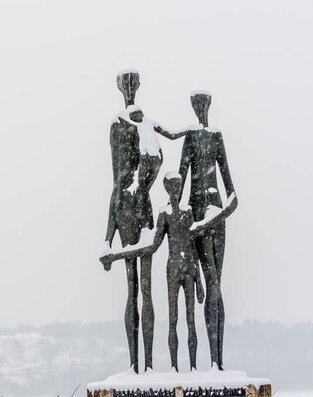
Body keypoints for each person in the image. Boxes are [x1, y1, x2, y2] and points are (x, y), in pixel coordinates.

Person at [101, 172, 237, 371]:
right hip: (173, 268)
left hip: (188, 268)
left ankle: (192, 368)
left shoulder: (187, 211)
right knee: (173, 318)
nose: (175, 191)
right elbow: (152, 246)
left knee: (190, 320)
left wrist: (198, 279)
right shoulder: (164, 214)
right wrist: (117, 255)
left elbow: (191, 243)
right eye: (171, 187)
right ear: (167, 189)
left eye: (177, 186)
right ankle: (174, 367)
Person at [155, 90, 237, 370]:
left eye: (203, 105)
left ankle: (217, 362)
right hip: (196, 212)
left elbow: (233, 194)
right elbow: (179, 177)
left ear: (208, 106)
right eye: (196, 105)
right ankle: (209, 362)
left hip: (214, 214)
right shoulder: (190, 138)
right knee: (208, 283)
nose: (200, 109)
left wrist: (215, 217)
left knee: (216, 286)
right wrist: (175, 218)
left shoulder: (216, 136)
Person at [104, 70, 163, 373]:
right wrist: (107, 234)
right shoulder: (118, 124)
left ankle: (148, 365)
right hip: (128, 206)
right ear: (120, 88)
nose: (129, 88)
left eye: (132, 84)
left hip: (140, 204)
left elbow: (156, 157)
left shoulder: (144, 123)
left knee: (147, 288)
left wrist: (143, 183)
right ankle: (135, 366)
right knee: (133, 288)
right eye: (125, 84)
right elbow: (116, 179)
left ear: (137, 86)